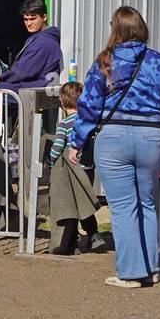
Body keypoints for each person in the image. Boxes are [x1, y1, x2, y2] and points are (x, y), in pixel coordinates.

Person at [69, 6, 160, 287]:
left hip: (114, 136)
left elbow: (89, 106)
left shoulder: (105, 62)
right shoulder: (159, 62)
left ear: (116, 29)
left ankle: (131, 272)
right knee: (146, 203)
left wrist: (77, 141)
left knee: (122, 207)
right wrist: (154, 118)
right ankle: (152, 267)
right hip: (150, 136)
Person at [47, 81, 106, 256]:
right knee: (85, 200)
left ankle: (76, 240)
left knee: (73, 205)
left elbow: (57, 147)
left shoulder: (64, 123)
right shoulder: (88, 121)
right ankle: (93, 234)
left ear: (62, 101)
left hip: (72, 171)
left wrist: (50, 162)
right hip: (88, 167)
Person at [0, 0, 63, 90]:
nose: (29, 23)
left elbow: (22, 71)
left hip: (33, 92)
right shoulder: (37, 38)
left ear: (44, 17)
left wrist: (2, 77)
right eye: (26, 19)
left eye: (33, 19)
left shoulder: (44, 42)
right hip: (30, 89)